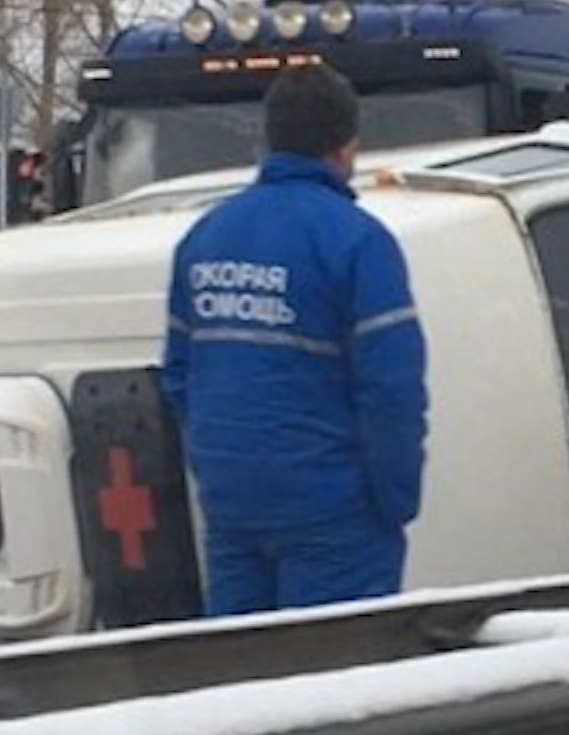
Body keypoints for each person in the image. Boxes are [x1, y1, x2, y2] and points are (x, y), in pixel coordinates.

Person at [161, 66, 427, 616]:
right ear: (347, 145)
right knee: (337, 683)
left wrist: (220, 471)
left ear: (268, 137)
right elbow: (391, 392)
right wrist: (395, 501)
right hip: (334, 517)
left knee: (243, 683)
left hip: (233, 511)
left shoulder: (205, 237)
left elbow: (181, 375)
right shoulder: (359, 243)